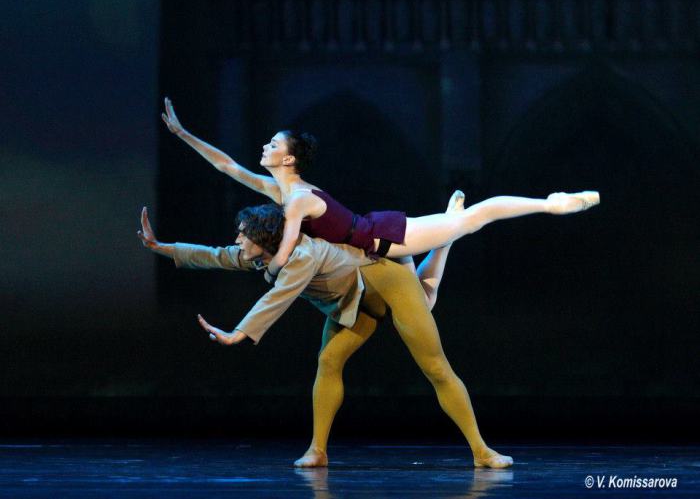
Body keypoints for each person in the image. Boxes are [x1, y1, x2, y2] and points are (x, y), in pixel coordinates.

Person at [138, 203, 514, 469]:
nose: (237, 238)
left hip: (385, 280)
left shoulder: (301, 255)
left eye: (243, 233)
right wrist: (161, 248)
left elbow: (278, 297)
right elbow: (218, 255)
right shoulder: (261, 255)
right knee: (329, 360)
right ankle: (318, 450)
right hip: (353, 301)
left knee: (434, 364)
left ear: (263, 237)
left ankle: (482, 451)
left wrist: (239, 334)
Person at [161, 98, 600, 283]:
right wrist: (182, 134)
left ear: (289, 159)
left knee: (474, 218)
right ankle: (447, 236)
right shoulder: (279, 190)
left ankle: (552, 204)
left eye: (273, 145)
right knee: (424, 305)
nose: (265, 147)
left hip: (383, 237)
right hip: (375, 242)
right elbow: (226, 165)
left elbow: (287, 245)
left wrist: (274, 272)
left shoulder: (294, 200)